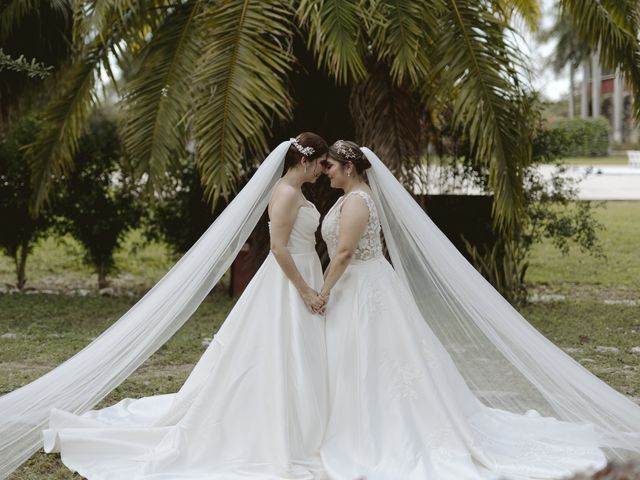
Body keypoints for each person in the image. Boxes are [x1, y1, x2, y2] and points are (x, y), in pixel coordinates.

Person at [316, 140, 640, 479]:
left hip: (366, 288)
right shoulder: (349, 199)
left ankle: (375, 428)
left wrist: (323, 291)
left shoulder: (357, 202)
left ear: (349, 167)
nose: (328, 173)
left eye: (332, 167)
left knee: (378, 357)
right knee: (363, 356)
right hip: (354, 287)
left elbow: (344, 254)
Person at [35, 133, 330, 479]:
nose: (324, 171)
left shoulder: (298, 193)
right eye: (322, 164)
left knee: (296, 352)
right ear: (306, 161)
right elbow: (279, 248)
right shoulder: (286, 193)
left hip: (304, 272)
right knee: (278, 349)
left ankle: (304, 419)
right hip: (289, 281)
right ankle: (276, 420)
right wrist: (305, 290)